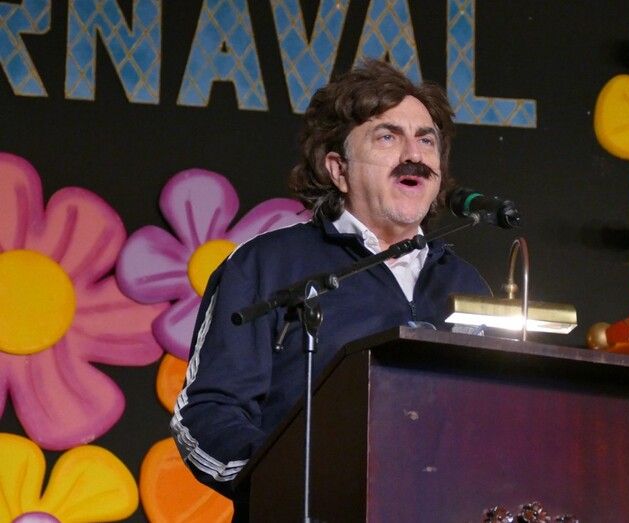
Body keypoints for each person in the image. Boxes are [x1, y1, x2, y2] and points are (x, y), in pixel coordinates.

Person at [170, 59, 490, 518]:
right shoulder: (268, 266)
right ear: (338, 169)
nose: (415, 154)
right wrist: (290, 481)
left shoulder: (465, 282)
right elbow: (207, 414)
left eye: (426, 139)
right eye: (387, 137)